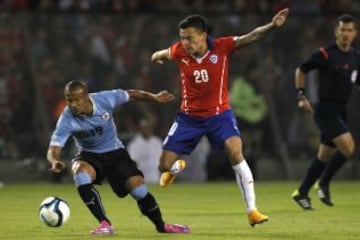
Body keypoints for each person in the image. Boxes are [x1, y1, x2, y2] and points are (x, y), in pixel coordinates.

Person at [151, 8, 289, 226]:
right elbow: (164, 53)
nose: (185, 42)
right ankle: (175, 169)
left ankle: (252, 210)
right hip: (188, 118)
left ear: (203, 35)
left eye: (189, 38)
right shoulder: (179, 51)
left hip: (220, 115)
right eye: (182, 38)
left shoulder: (222, 47)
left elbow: (250, 37)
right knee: (163, 166)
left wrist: (272, 26)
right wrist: (156, 56)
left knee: (236, 153)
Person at [47, 80, 190, 235]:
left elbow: (132, 94)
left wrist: (154, 97)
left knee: (139, 191)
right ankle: (104, 223)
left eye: (77, 99)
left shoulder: (104, 99)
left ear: (86, 97)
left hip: (115, 153)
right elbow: (53, 148)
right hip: (89, 155)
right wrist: (55, 161)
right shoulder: (66, 118)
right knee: (80, 174)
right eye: (69, 100)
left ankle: (162, 226)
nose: (73, 104)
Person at [292, 14, 360, 210]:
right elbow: (302, 69)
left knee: (324, 154)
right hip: (325, 110)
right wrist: (301, 96)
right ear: (336, 32)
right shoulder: (325, 54)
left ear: (355, 33)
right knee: (348, 148)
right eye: (342, 30)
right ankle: (323, 184)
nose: (345, 34)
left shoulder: (356, 57)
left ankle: (302, 192)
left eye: (349, 30)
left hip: (341, 110)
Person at [127, 118, 162, 184]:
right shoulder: (134, 143)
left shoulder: (157, 141)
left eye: (148, 128)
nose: (146, 130)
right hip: (141, 177)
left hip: (155, 176)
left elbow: (161, 158)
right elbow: (133, 162)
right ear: (140, 129)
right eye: (144, 128)